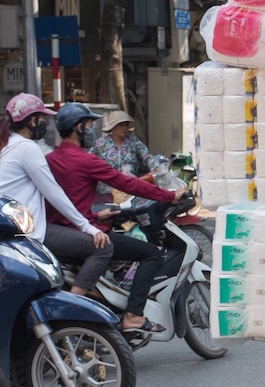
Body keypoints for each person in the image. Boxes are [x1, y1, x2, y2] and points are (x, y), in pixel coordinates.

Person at [45, 103, 185, 335]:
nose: (92, 130)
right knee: (150, 253)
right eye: (89, 125)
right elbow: (126, 183)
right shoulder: (86, 160)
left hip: (62, 232)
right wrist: (170, 196)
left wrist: (94, 214)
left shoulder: (50, 159)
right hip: (84, 233)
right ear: (78, 127)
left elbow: (64, 200)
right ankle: (134, 315)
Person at [0, 94, 113, 297]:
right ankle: (77, 303)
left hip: (14, 232)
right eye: (41, 119)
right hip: (32, 234)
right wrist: (88, 227)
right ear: (32, 121)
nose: (44, 123)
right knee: (102, 248)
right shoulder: (27, 148)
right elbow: (54, 194)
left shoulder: (7, 146)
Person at [91, 110, 154, 201]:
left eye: (126, 124)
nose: (124, 128)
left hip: (130, 191)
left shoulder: (134, 143)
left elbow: (148, 157)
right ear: (113, 127)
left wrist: (156, 167)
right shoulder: (101, 144)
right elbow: (88, 161)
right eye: (121, 125)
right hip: (106, 193)